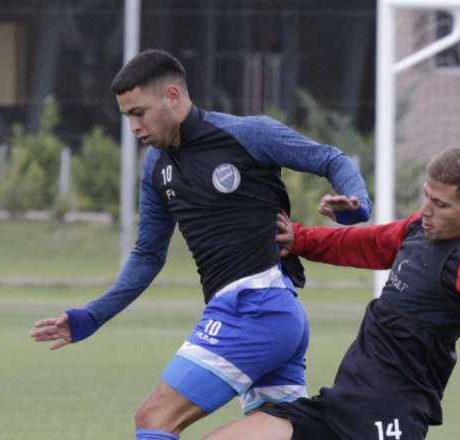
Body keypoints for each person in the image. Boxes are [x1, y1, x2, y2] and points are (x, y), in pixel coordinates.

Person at [29, 49, 372, 440]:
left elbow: (331, 159)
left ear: (173, 96)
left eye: (139, 113)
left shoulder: (247, 135)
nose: (134, 127)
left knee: (154, 419)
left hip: (255, 308)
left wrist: (356, 206)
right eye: (127, 117)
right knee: (274, 432)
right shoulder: (156, 166)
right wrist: (93, 316)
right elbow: (147, 255)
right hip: (267, 315)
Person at [205, 146, 460, 440]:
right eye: (427, 196)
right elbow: (368, 244)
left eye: (440, 204)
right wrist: (299, 239)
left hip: (389, 422)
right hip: (338, 409)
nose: (426, 210)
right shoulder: (418, 230)